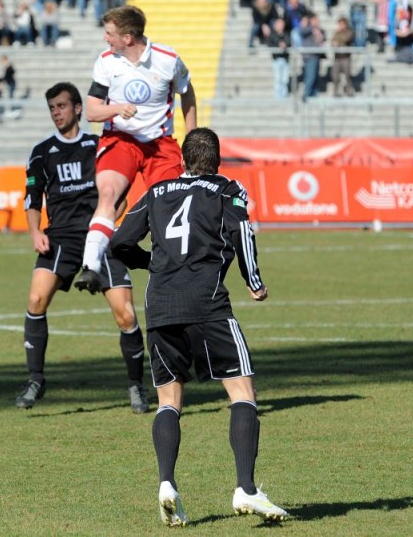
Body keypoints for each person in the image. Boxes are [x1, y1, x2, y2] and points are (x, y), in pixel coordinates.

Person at [109, 127, 289, 527]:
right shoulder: (228, 189)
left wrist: (150, 263)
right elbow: (242, 231)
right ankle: (246, 487)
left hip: (160, 306)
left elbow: (120, 242)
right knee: (242, 392)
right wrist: (253, 281)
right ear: (218, 160)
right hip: (207, 303)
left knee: (168, 400)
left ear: (182, 161)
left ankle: (166, 484)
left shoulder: (156, 191)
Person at [16, 81, 150, 414]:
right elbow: (32, 199)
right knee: (35, 300)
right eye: (52, 108)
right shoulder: (42, 152)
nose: (56, 113)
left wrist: (110, 222)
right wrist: (35, 232)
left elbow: (121, 194)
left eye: (61, 106)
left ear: (78, 108)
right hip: (60, 238)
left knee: (126, 315)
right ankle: (35, 380)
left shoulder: (97, 146)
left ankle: (136, 385)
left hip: (98, 237)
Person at [74, 5, 196, 294]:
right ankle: (91, 266)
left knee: (170, 210)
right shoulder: (106, 62)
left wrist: (191, 140)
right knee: (108, 193)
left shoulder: (168, 59)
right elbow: (92, 111)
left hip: (160, 144)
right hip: (121, 140)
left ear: (128, 38)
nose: (105, 39)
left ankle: (173, 273)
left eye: (110, 34)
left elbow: (187, 92)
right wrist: (117, 109)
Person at [299, 13, 326, 102]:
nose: (317, 22)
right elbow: (302, 32)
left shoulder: (319, 30)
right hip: (309, 56)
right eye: (314, 20)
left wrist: (319, 33)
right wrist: (312, 28)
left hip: (317, 55)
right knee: (310, 76)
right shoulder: (307, 29)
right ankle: (306, 95)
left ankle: (314, 94)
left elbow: (323, 39)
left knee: (316, 77)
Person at [266, 17, 290, 99]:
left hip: (285, 59)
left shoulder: (286, 34)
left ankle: (284, 95)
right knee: (278, 78)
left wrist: (285, 45)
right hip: (276, 59)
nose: (281, 26)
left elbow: (289, 43)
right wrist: (278, 45)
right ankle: (278, 96)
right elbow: (270, 44)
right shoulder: (272, 35)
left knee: (285, 78)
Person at [330, 16, 354, 96]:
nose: (339, 26)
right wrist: (336, 42)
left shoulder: (349, 32)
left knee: (347, 75)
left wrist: (338, 42)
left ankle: (348, 90)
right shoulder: (336, 33)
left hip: (345, 57)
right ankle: (336, 91)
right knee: (335, 75)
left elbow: (345, 39)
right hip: (337, 57)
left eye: (341, 24)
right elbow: (332, 41)